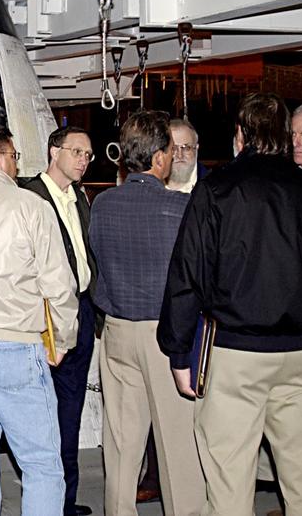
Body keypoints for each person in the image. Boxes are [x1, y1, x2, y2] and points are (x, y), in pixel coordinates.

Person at [158, 93, 302, 516]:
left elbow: (188, 276)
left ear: (240, 135)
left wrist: (179, 351)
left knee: (230, 480)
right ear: (286, 138)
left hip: (237, 353)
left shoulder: (216, 190)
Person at [0, 124, 79, 515]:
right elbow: (59, 285)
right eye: (14, 156)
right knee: (41, 461)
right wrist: (62, 340)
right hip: (13, 341)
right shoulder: (29, 206)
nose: (16, 164)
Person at [89, 111, 202, 516]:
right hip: (165, 336)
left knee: (121, 444)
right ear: (159, 158)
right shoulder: (180, 208)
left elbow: (97, 264)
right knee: (177, 444)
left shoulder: (102, 204)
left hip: (116, 333)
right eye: (171, 151)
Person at [20, 125, 97, 516]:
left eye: (88, 154)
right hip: (45, 315)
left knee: (71, 407)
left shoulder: (79, 196)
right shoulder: (29, 196)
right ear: (54, 151)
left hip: (81, 311)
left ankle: (65, 501)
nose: (83, 160)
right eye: (77, 151)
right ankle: (45, 499)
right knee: (41, 411)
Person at [166, 118, 203, 194]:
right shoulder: (147, 188)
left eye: (186, 148)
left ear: (196, 148)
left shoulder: (214, 186)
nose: (180, 155)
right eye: (173, 149)